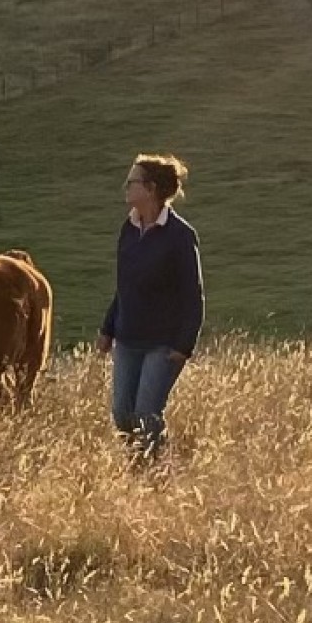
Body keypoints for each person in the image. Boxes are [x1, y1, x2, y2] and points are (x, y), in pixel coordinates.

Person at [96, 154, 204, 460]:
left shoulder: (181, 236)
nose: (126, 187)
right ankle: (137, 465)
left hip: (163, 344)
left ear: (151, 189)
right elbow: (125, 286)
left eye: (132, 182)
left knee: (146, 414)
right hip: (127, 339)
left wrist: (184, 346)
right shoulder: (128, 230)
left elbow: (193, 296)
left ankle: (155, 472)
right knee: (121, 414)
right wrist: (108, 328)